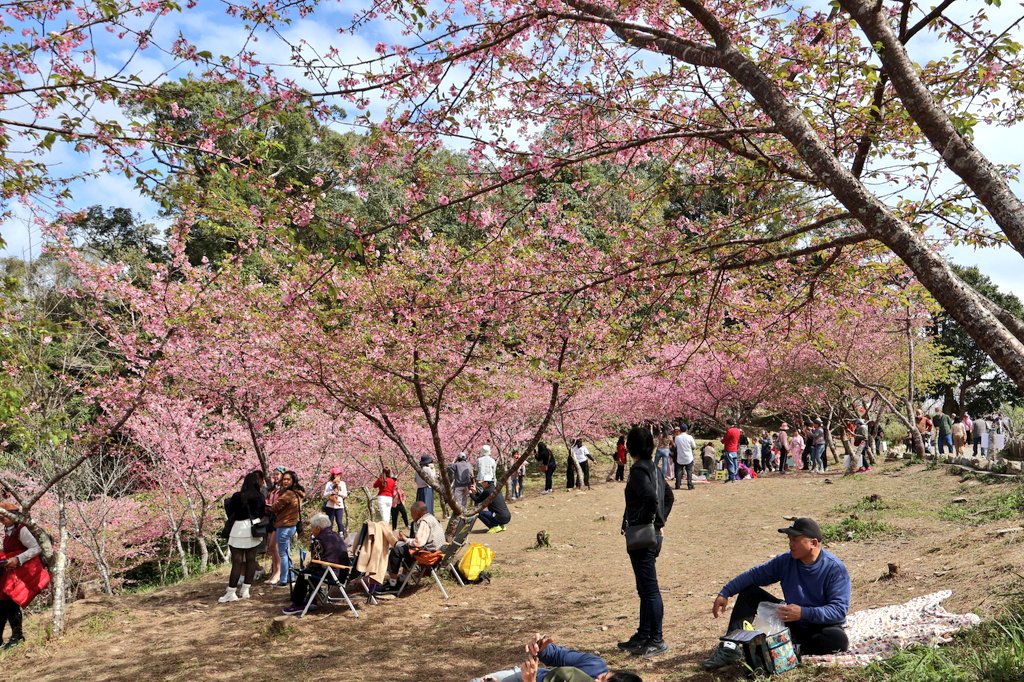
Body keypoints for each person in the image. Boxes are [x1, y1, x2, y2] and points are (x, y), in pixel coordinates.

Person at [701, 518, 851, 670]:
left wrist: (803, 613)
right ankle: (730, 647)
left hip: (818, 627)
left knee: (838, 640)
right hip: (790, 620)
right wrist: (725, 592)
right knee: (750, 593)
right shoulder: (786, 561)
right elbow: (753, 575)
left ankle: (792, 648)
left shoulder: (835, 569)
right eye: (789, 539)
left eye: (795, 540)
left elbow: (839, 611)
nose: (790, 544)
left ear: (813, 543)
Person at [618, 425, 673, 659]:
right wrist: (661, 522)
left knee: (649, 589)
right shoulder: (654, 468)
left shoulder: (640, 470)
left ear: (631, 447)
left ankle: (656, 638)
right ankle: (644, 634)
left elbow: (651, 497)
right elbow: (669, 497)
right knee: (644, 587)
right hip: (651, 534)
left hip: (643, 535)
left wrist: (651, 520)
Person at [471, 633, 643, 682]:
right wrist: (541, 648)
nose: (597, 680)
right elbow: (559, 655)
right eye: (603, 677)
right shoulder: (595, 664)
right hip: (528, 676)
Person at [281, 512, 349, 615]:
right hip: (342, 572)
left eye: (312, 527)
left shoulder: (319, 539)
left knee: (304, 574)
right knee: (313, 571)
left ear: (318, 528)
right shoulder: (336, 535)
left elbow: (316, 561)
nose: (311, 530)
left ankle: (297, 604)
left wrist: (307, 566)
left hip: (332, 573)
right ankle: (311, 600)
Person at [0, 501, 44, 648]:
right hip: (10, 572)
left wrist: (18, 559)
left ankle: (17, 636)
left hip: (22, 571)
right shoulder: (8, 531)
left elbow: (36, 548)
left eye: (4, 516)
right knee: (4, 603)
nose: (1, 519)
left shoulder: (22, 530)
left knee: (10, 603)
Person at [219, 471, 267, 603]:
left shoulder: (237, 496)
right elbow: (262, 513)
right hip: (253, 528)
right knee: (251, 560)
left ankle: (231, 592)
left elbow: (231, 512)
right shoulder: (260, 497)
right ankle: (245, 590)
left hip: (239, 528)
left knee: (237, 561)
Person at [378, 501, 445, 592]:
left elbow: (418, 543)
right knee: (407, 549)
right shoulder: (431, 518)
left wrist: (405, 539)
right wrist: (407, 539)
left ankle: (392, 583)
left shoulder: (424, 522)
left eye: (411, 513)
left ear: (417, 512)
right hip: (437, 550)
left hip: (429, 554)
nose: (411, 515)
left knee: (396, 551)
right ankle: (403, 579)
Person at [269, 470, 305, 587]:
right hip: (292, 525)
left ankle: (284, 579)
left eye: (288, 479)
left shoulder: (288, 494)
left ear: (293, 480)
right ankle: (290, 576)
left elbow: (275, 507)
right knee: (286, 551)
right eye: (284, 479)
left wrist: (271, 505)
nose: (285, 481)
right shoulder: (297, 493)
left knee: (283, 553)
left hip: (284, 525)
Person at [265, 465, 286, 584]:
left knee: (275, 546)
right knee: (271, 547)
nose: (275, 476)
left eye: (277, 474)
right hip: (271, 518)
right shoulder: (272, 489)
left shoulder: (284, 490)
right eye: (273, 474)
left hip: (280, 519)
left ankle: (278, 572)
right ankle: (275, 571)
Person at [323, 467, 347, 534]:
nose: (338, 475)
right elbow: (324, 495)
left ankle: (341, 535)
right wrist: (331, 492)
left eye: (339, 474)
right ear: (333, 475)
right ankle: (329, 537)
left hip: (339, 506)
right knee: (329, 522)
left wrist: (338, 493)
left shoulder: (342, 483)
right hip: (330, 506)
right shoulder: (329, 484)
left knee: (339, 522)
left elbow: (345, 494)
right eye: (336, 474)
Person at [673, 424, 696, 490]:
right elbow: (694, 446)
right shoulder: (690, 437)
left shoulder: (677, 438)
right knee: (689, 471)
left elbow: (676, 446)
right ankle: (690, 485)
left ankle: (677, 485)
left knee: (678, 471)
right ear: (687, 430)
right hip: (688, 457)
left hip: (680, 457)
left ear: (680, 430)